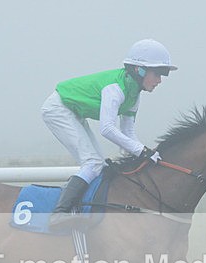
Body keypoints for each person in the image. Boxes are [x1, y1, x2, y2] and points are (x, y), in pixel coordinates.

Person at [41, 38, 177, 229]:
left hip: (74, 111)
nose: (160, 80)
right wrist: (141, 151)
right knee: (93, 163)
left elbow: (128, 132)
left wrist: (145, 155)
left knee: (99, 164)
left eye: (163, 74)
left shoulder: (134, 94)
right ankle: (59, 213)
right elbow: (107, 128)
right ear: (139, 70)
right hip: (58, 108)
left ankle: (81, 208)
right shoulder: (116, 89)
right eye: (158, 73)